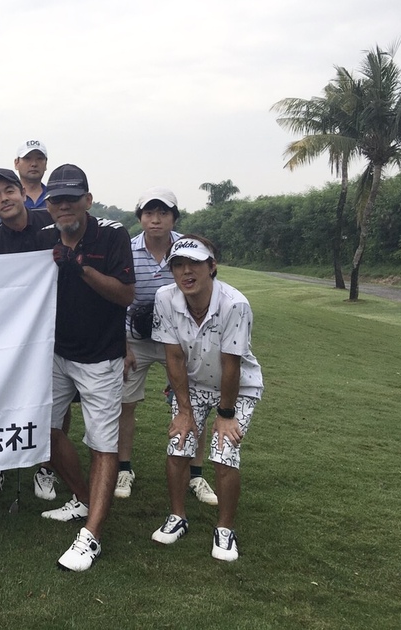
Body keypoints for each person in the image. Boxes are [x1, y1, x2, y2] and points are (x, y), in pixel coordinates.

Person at [42, 164, 135, 572]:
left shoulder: (112, 235)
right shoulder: (43, 237)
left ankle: (92, 534)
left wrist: (79, 267)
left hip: (101, 356)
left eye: (72, 198)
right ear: (48, 205)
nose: (64, 206)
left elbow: (126, 295)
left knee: (102, 444)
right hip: (55, 353)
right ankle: (82, 498)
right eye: (57, 200)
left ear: (87, 200)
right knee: (44, 431)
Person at [150, 235, 263, 562]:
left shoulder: (234, 304)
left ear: (212, 266)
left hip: (238, 386)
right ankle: (177, 516)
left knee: (224, 452)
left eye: (194, 264)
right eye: (178, 265)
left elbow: (231, 364)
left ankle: (225, 529)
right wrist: (184, 411)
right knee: (178, 444)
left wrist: (225, 415)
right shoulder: (165, 298)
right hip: (193, 383)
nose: (186, 271)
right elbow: (173, 357)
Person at [115, 188, 217, 505]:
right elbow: (117, 299)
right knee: (125, 404)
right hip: (135, 339)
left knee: (194, 403)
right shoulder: (126, 249)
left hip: (179, 340)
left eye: (163, 213)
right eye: (149, 213)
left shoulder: (187, 249)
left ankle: (196, 474)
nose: (155, 219)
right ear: (140, 218)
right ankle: (123, 469)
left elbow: (203, 291)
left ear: (173, 217)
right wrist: (122, 345)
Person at [0, 167, 61, 503]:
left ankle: (46, 466)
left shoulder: (53, 225)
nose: (4, 199)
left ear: (23, 193)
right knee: (3, 396)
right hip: (11, 334)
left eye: (9, 191)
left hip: (57, 327)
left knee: (54, 401)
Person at [14, 140, 49, 209]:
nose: (34, 164)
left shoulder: (53, 197)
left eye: (39, 158)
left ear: (46, 164)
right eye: (27, 158)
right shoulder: (10, 198)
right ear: (16, 163)